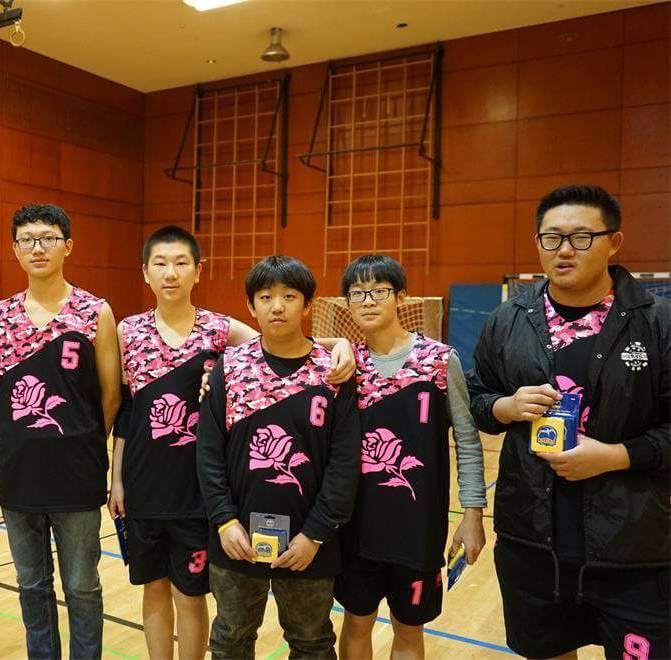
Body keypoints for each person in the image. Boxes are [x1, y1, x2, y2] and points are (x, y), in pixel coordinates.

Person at [111, 226, 356, 659]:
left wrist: (343, 346)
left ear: (198, 270)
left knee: (207, 601)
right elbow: (125, 409)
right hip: (154, 487)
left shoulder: (219, 330)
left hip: (199, 497)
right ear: (145, 272)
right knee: (175, 601)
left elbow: (283, 338)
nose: (171, 273)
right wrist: (116, 477)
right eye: (160, 264)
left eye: (181, 263)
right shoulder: (128, 330)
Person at [468, 185, 669, 659]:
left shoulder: (657, 322)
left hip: (634, 551)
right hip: (533, 545)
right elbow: (477, 399)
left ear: (613, 242)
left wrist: (616, 456)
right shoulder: (507, 320)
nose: (563, 250)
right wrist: (505, 407)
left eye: (581, 237)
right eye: (551, 237)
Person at [196, 255, 362, 660]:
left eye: (289, 296)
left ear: (307, 305)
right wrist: (224, 520)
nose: (277, 306)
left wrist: (315, 534)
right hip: (236, 540)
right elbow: (209, 452)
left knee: (312, 643)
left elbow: (344, 463)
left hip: (309, 545)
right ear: (250, 306)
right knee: (230, 640)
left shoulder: (333, 372)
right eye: (266, 297)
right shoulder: (230, 367)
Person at [334, 254, 486, 659]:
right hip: (356, 528)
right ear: (347, 303)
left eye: (379, 291)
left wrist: (472, 515)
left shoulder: (439, 360)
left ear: (401, 297)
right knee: (356, 624)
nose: (368, 300)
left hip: (418, 528)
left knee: (408, 629)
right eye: (357, 293)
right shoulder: (344, 364)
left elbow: (467, 440)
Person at [0, 203, 121, 659]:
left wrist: (83, 443)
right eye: (27, 240)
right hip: (18, 473)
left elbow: (110, 394)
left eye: (48, 238)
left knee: (82, 586)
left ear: (68, 246)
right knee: (32, 585)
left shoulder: (95, 311)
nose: (38, 248)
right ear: (15, 250)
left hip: (76, 474)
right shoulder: (1, 314)